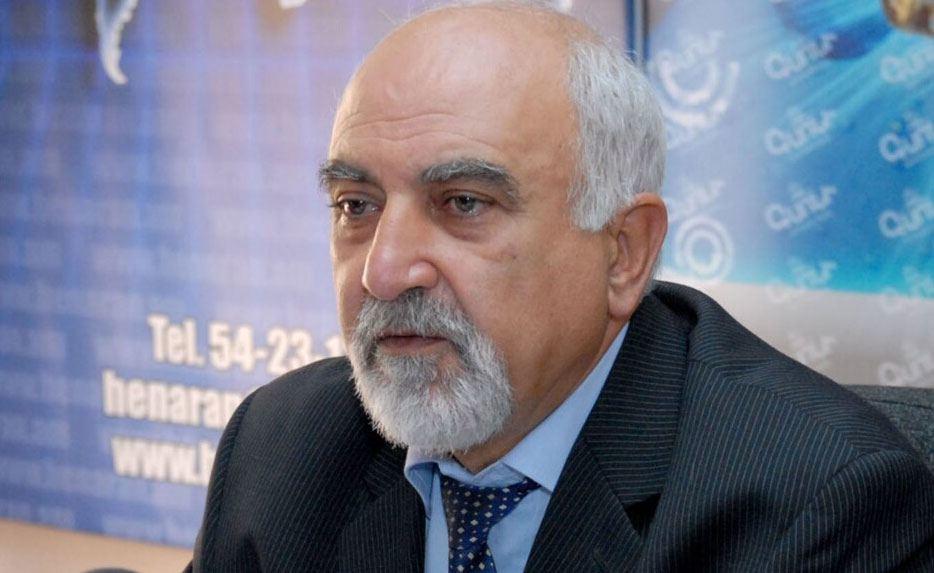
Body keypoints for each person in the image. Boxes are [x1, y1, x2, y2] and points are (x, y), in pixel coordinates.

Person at [187, 2, 934, 571]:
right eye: (357, 205)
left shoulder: (814, 502)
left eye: (463, 203)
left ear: (624, 252)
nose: (382, 272)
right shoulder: (284, 448)